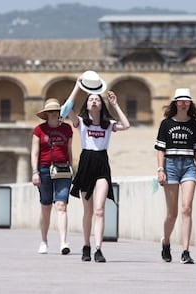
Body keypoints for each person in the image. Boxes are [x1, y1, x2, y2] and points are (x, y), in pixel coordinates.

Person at [63, 71, 130, 262]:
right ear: (87, 104)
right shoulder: (81, 123)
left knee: (100, 210)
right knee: (88, 211)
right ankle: (86, 244)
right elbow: (65, 109)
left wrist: (115, 104)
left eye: (97, 99)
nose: (94, 101)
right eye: (91, 99)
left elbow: (126, 125)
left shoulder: (108, 124)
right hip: (86, 163)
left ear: (101, 105)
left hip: (101, 163)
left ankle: (98, 249)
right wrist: (77, 87)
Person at [155, 88, 196, 264]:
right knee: (172, 213)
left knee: (187, 208)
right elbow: (160, 149)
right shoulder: (166, 124)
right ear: (175, 103)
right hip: (169, 165)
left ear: (190, 103)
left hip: (188, 166)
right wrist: (160, 170)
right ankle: (166, 242)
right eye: (180, 101)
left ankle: (185, 251)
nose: (183, 104)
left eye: (186, 102)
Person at [31, 98, 73, 255]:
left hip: (62, 170)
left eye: (56, 111)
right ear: (46, 114)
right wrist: (35, 172)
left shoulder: (67, 129)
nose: (54, 114)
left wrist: (71, 167)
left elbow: (69, 150)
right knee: (46, 206)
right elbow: (34, 152)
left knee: (61, 205)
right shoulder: (38, 130)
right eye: (50, 112)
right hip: (44, 170)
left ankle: (63, 242)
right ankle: (44, 241)